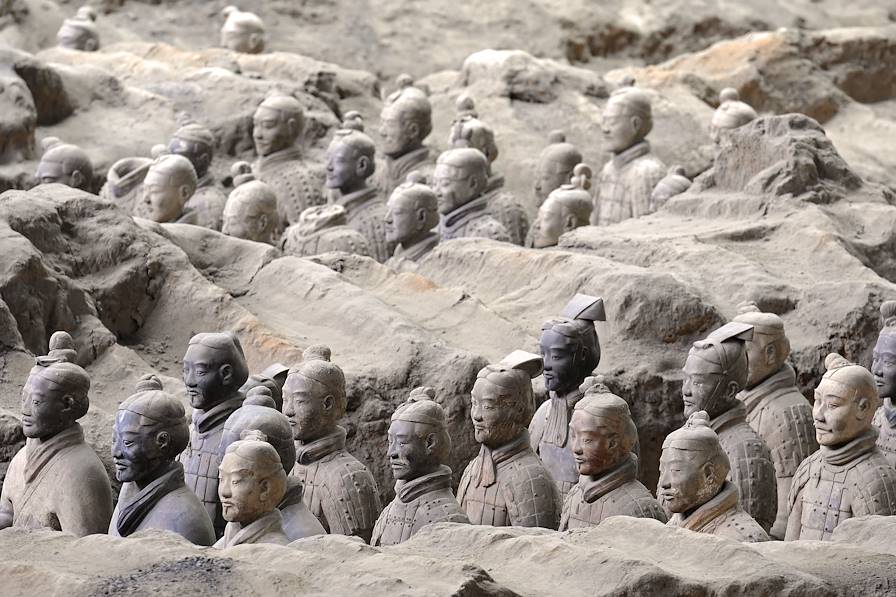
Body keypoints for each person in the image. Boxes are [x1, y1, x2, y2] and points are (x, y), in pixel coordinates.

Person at [0, 339, 112, 536]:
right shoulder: (20, 458)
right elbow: (7, 515)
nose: (24, 409)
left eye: (35, 401)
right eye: (23, 397)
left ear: (67, 405)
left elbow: (85, 551)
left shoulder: (83, 473)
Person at [676, 322, 777, 532]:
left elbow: (748, 534)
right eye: (686, 379)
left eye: (698, 382)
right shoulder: (688, 436)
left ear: (730, 391)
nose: (686, 391)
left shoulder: (745, 450)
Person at [786, 354, 896, 541]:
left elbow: (877, 563)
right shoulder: (808, 468)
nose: (819, 416)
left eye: (833, 405)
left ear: (863, 408)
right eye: (817, 401)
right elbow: (786, 550)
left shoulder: (876, 481)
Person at [732, 302, 818, 539]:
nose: (735, 362)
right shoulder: (743, 398)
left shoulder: (789, 414)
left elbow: (788, 515)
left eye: (744, 353)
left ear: (770, 353)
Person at [282, 345, 381, 542]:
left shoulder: (349, 478)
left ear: (327, 404)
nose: (288, 411)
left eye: (300, 401)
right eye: (285, 399)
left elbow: (354, 558)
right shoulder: (286, 462)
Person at [457, 351, 560, 528]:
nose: (476, 416)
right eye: (474, 403)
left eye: (488, 406)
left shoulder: (533, 480)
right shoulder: (473, 469)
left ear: (518, 410)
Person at [109, 375, 215, 545]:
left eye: (128, 442)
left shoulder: (184, 521)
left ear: (162, 442)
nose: (116, 452)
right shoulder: (132, 489)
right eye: (115, 439)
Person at [530, 294, 605, 500]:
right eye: (543, 354)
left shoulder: (604, 418)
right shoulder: (543, 413)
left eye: (556, 356)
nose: (546, 365)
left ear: (582, 355)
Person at [371, 387, 469, 545]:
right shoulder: (390, 510)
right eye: (390, 442)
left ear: (430, 443)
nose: (391, 453)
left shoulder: (448, 520)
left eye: (402, 442)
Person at [560, 386, 666, 529]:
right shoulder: (575, 495)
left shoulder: (640, 510)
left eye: (587, 440)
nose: (576, 448)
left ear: (613, 443)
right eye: (573, 436)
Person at [179, 332, 249, 536]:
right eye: (185, 370)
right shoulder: (190, 429)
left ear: (226, 374)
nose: (189, 381)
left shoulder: (239, 436)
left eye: (200, 372)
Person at [660, 411, 770, 542]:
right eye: (662, 469)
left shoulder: (744, 539)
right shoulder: (674, 524)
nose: (664, 482)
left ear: (708, 474)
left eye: (675, 470)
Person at [592, 84, 666, 226]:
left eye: (612, 121)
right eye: (604, 121)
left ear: (635, 124)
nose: (604, 129)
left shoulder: (648, 172)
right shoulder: (608, 169)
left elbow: (647, 232)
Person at [215, 433, 290, 547]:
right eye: (221, 479)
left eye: (235, 481)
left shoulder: (274, 550)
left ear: (265, 489)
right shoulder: (228, 538)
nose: (225, 492)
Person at [434, 148, 511, 243]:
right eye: (434, 183)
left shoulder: (489, 234)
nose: (436, 191)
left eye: (445, 183)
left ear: (472, 184)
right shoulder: (436, 226)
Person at [383, 173, 440, 265]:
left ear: (421, 217)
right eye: (388, 211)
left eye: (397, 212)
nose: (387, 219)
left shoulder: (432, 261)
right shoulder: (400, 251)